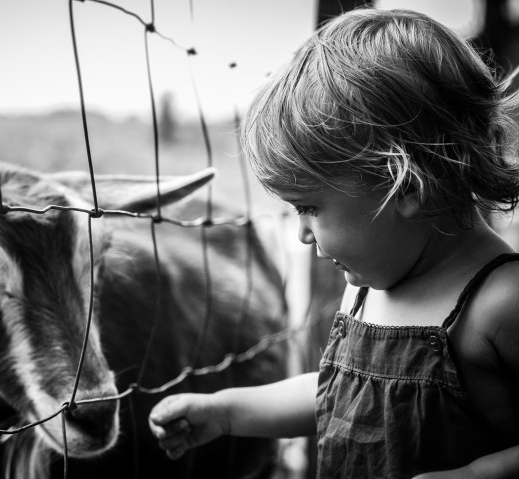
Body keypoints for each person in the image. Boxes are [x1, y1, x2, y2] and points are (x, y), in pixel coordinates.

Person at [148, 8, 519, 478]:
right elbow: (337, 391)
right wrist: (227, 412)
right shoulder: (367, 287)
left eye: (309, 208)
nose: (301, 234)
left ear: (404, 186)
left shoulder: (501, 302)